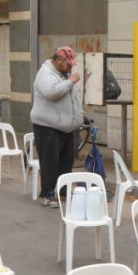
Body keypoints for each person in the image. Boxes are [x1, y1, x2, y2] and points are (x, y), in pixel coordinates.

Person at [31, 46, 85, 208]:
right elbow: (51, 92)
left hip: (66, 128)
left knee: (66, 162)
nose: (71, 67)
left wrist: (80, 116)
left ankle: (62, 190)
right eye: (68, 64)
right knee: (50, 162)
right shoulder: (45, 74)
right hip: (48, 127)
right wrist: (70, 82)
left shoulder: (63, 75)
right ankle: (47, 194)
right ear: (58, 60)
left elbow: (73, 99)